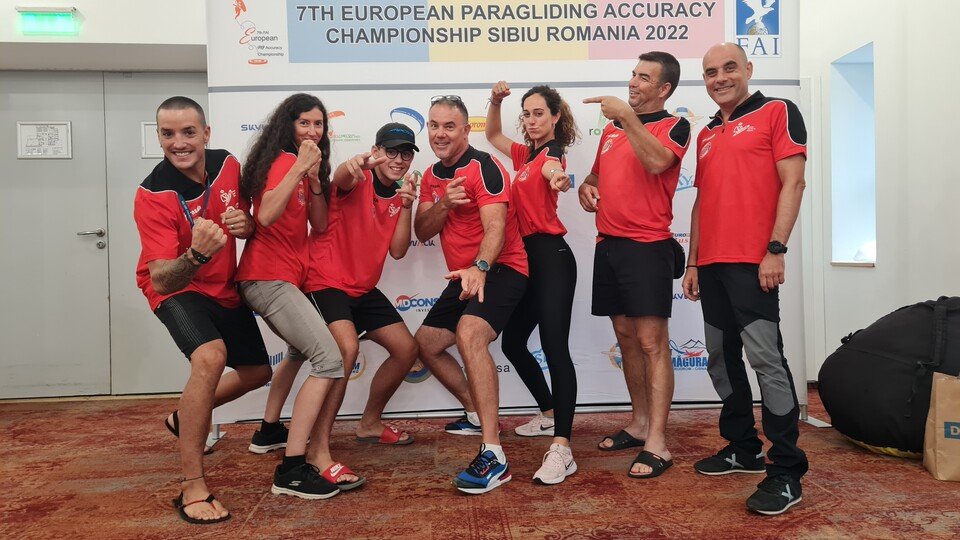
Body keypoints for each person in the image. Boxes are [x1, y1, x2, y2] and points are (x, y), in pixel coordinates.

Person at [682, 42, 809, 516]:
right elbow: (701, 201)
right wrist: (693, 262)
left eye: (729, 68)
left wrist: (775, 249)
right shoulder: (707, 132)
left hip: (754, 262)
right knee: (719, 359)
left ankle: (786, 471)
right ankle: (743, 447)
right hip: (712, 265)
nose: (720, 78)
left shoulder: (778, 111)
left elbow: (793, 182)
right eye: (710, 72)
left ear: (749, 69)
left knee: (766, 361)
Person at [134, 96, 272, 524]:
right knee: (210, 357)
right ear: (159, 137)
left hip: (223, 288)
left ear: (206, 133)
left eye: (188, 132)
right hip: (177, 287)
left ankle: (184, 418)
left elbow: (247, 221)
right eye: (168, 134)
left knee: (258, 372)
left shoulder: (227, 163)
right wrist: (196, 254)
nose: (179, 142)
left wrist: (246, 225)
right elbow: (162, 279)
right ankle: (192, 485)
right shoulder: (153, 194)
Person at [249, 122, 420, 459]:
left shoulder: (401, 193)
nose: (398, 159)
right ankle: (318, 447)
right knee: (345, 350)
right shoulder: (359, 177)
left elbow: (399, 251)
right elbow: (342, 177)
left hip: (362, 288)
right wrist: (353, 165)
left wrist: (406, 206)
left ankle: (369, 423)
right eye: (390, 151)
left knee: (406, 349)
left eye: (405, 153)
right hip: (325, 281)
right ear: (376, 151)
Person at [579, 52, 690, 479]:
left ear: (664, 89)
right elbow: (595, 178)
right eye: (633, 74)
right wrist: (587, 190)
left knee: (651, 343)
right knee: (626, 339)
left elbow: (658, 162)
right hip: (608, 246)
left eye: (644, 77)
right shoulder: (611, 130)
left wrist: (627, 116)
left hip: (648, 248)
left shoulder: (675, 126)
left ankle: (658, 443)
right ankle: (640, 423)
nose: (633, 82)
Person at [235, 93, 349, 500]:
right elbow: (265, 216)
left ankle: (269, 431)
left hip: (283, 279)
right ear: (289, 126)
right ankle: (293, 469)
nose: (313, 131)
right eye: (305, 123)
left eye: (319, 124)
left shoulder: (303, 169)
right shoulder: (284, 162)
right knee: (330, 359)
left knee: (301, 352)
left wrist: (315, 180)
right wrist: (300, 167)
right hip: (267, 278)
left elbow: (320, 225)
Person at [414, 96, 529, 494]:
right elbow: (423, 231)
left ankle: (494, 454)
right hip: (463, 275)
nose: (440, 133)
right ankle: (478, 413)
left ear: (465, 130)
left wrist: (480, 268)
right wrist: (444, 203)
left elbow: (495, 228)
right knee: (427, 344)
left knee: (469, 335)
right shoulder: (431, 175)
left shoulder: (485, 166)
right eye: (434, 125)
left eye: (449, 126)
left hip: (501, 267)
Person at [485, 82, 580, 485]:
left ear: (555, 116)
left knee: (555, 348)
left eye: (539, 113)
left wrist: (559, 178)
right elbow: (492, 134)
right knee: (512, 342)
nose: (531, 120)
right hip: (524, 261)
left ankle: (562, 448)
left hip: (552, 258)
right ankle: (548, 412)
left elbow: (553, 169)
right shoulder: (525, 154)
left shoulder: (550, 153)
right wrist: (496, 102)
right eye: (526, 114)